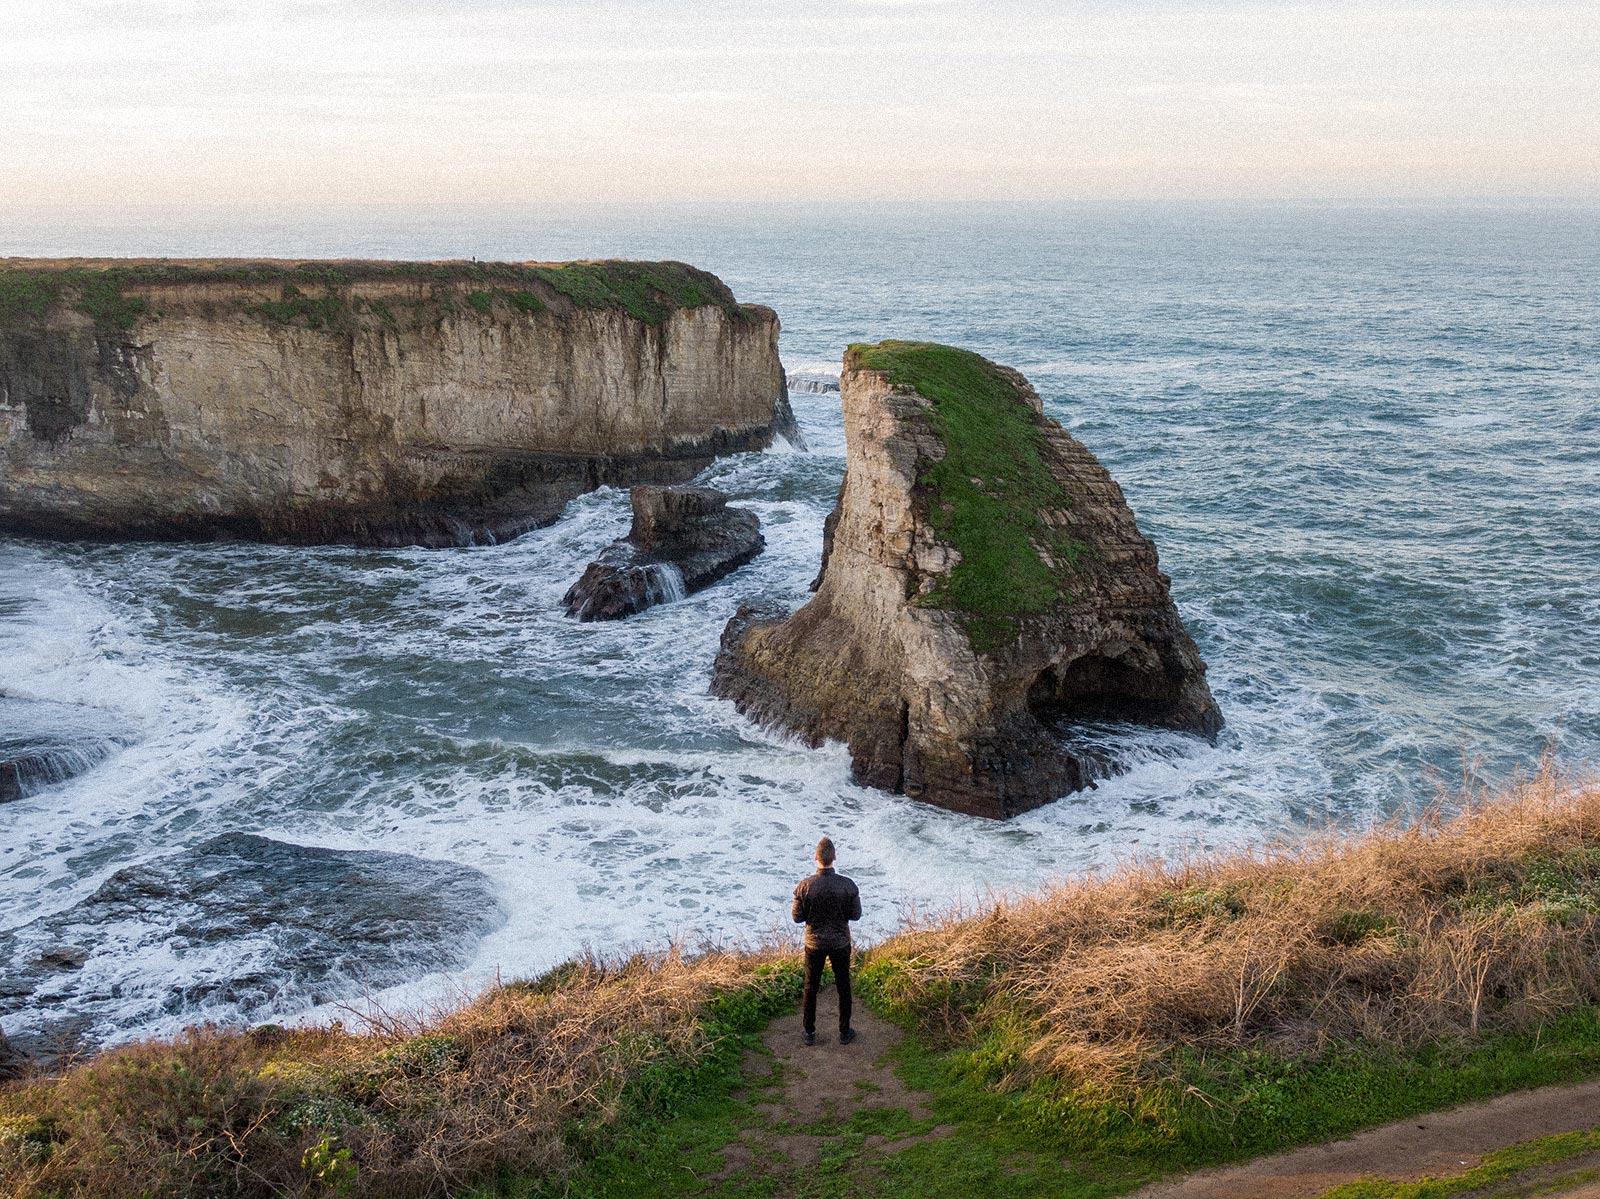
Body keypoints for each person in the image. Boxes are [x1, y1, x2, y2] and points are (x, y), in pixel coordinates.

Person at [791, 836, 862, 1046]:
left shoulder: (804, 887)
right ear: (834, 858)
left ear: (816, 858)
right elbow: (856, 914)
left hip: (814, 943)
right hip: (840, 942)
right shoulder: (848, 885)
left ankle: (809, 1032)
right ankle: (844, 1032)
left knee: (811, 986)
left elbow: (797, 917)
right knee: (843, 986)